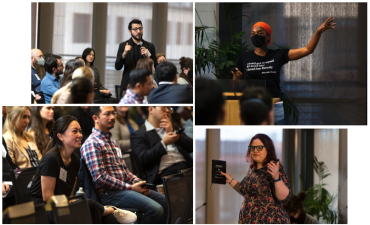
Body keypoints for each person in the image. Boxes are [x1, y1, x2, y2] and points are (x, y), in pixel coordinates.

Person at [29, 115, 137, 224]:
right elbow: (48, 198)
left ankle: (108, 212)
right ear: (61, 136)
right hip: (44, 209)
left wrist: (73, 202)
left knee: (107, 218)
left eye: (80, 131)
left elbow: (69, 194)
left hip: (62, 205)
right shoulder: (51, 159)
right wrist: (72, 204)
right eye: (74, 131)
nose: (80, 135)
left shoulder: (75, 160)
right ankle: (109, 210)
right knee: (88, 204)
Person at [233, 18, 335, 124]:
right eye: (253, 33)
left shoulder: (278, 55)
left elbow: (308, 49)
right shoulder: (244, 57)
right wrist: (236, 76)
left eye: (260, 33)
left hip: (274, 106)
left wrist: (318, 32)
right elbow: (236, 85)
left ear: (267, 36)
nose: (255, 35)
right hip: (252, 105)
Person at [81, 106, 168, 224]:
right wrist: (131, 187)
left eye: (113, 113)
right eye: (107, 114)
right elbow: (100, 178)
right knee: (156, 209)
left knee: (168, 203)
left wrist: (139, 183)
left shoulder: (113, 143)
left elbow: (125, 171)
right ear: (95, 118)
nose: (112, 117)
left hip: (124, 188)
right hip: (108, 193)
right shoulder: (92, 143)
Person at [221, 133, 291, 224]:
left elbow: (284, 198)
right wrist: (230, 180)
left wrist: (276, 178)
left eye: (259, 148)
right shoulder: (252, 169)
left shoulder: (274, 168)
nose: (255, 151)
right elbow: (245, 191)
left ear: (268, 149)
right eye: (252, 148)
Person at [130, 106, 193, 184]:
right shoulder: (138, 135)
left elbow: (192, 147)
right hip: (166, 174)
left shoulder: (173, 127)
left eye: (169, 108)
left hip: (188, 168)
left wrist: (174, 134)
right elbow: (144, 158)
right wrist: (164, 143)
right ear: (151, 109)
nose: (167, 110)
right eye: (164, 108)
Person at [115, 19, 157, 95]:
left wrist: (148, 56)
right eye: (135, 29)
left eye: (140, 28)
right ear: (130, 31)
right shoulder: (123, 45)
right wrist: (124, 54)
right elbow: (117, 67)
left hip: (146, 86)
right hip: (128, 86)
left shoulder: (150, 46)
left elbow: (156, 66)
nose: (138, 31)